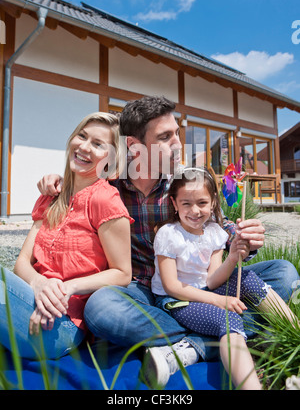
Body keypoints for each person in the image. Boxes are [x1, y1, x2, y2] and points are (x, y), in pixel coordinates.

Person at [37, 96, 299, 387]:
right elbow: (76, 185)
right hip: (143, 290)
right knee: (101, 308)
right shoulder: (108, 185)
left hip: (200, 282)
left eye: (177, 133)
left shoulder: (185, 181)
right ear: (135, 146)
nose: (177, 143)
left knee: (283, 273)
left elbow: (216, 230)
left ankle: (195, 344)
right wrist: (55, 181)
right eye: (165, 137)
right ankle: (229, 335)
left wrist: (246, 240)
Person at [0, 112, 133, 360]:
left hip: (60, 324)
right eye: (81, 136)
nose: (84, 146)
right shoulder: (52, 197)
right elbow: (22, 263)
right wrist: (40, 284)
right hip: (30, 300)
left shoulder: (105, 199)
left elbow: (123, 273)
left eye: (97, 144)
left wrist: (64, 289)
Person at [151, 167, 298, 390]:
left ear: (213, 202)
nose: (195, 211)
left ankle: (295, 333)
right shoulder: (169, 234)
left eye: (201, 202)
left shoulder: (214, 232)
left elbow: (212, 279)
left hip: (205, 290)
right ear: (174, 203)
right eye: (186, 203)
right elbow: (172, 286)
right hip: (178, 299)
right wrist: (219, 302)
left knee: (246, 277)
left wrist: (234, 258)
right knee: (228, 320)